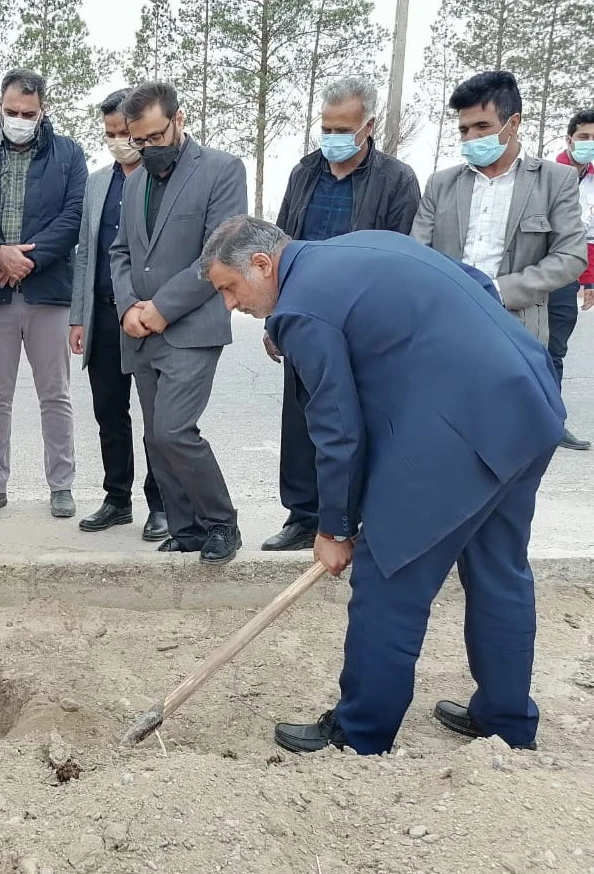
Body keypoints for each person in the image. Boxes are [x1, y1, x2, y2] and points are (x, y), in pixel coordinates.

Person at [202, 216, 564, 755]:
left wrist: (334, 528)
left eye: (229, 288)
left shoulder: (300, 309)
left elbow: (337, 428)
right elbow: (476, 285)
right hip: (526, 403)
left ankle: (361, 732)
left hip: (456, 437)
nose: (231, 305)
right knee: (499, 570)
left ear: (261, 264)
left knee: (387, 577)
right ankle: (506, 721)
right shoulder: (361, 246)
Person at [265, 77, 421, 552]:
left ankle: (361, 517)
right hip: (304, 315)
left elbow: (401, 256)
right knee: (301, 419)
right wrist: (275, 318)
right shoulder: (304, 172)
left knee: (358, 420)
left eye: (342, 129)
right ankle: (303, 515)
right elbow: (279, 245)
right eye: (326, 127)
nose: (331, 138)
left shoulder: (396, 180)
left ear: (368, 126)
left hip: (362, 319)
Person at [111, 81, 246, 563]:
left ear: (179, 119)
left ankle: (222, 523)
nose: (149, 148)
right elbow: (121, 252)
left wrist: (161, 309)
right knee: (155, 438)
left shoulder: (222, 170)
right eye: (139, 140)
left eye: (156, 136)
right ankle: (186, 529)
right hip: (140, 332)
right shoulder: (133, 183)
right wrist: (128, 306)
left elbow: (219, 253)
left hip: (191, 328)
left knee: (173, 431)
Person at [0, 68, 87, 520]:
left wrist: (28, 260)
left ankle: (61, 485)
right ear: (0, 104)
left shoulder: (68, 154)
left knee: (55, 395)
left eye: (28, 113)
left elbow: (74, 216)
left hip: (47, 291)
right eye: (11, 111)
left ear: (42, 110)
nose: (18, 119)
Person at [412, 71, 584, 345]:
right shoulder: (440, 184)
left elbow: (570, 256)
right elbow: (417, 254)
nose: (471, 137)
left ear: (513, 123)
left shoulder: (555, 180)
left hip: (516, 327)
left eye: (482, 126)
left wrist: (499, 290)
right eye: (464, 129)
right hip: (443, 323)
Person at [69, 88, 167, 542]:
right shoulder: (96, 184)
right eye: (108, 134)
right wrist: (78, 317)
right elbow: (85, 253)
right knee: (109, 411)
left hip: (148, 317)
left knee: (156, 417)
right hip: (104, 317)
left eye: (123, 133)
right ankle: (117, 498)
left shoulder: (160, 181)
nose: (116, 142)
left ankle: (161, 503)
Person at [549, 109, 594, 450]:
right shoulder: (546, 175)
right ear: (569, 139)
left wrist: (588, 281)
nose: (589, 144)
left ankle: (552, 424)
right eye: (584, 137)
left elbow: (589, 237)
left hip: (566, 278)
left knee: (555, 351)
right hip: (532, 272)